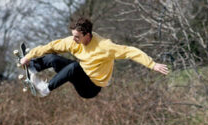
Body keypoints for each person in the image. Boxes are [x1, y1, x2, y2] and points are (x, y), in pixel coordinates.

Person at [20, 17, 169, 98]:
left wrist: (152, 64)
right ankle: (35, 65)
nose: (74, 40)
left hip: (91, 88)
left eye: (77, 37)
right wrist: (29, 56)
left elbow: (130, 51)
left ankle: (46, 89)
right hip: (79, 74)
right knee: (53, 58)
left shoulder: (105, 47)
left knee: (74, 67)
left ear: (87, 35)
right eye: (73, 36)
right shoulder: (73, 41)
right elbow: (51, 46)